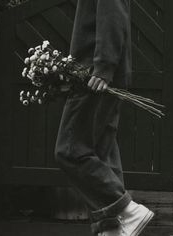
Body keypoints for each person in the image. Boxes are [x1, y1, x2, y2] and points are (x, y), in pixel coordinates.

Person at [54, 0, 154, 235]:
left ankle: (128, 210)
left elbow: (112, 13)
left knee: (70, 150)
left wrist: (104, 66)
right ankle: (112, 228)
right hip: (97, 74)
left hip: (93, 77)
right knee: (102, 150)